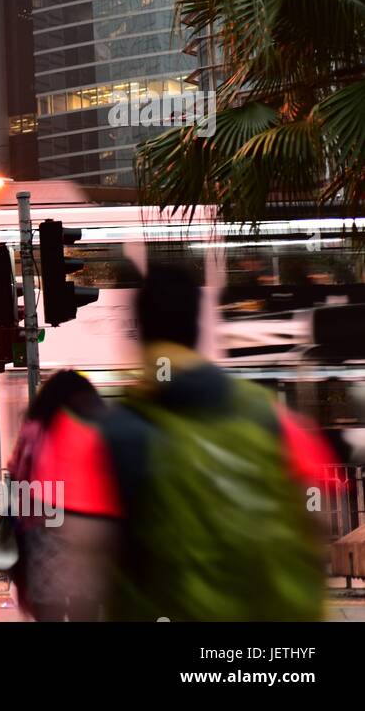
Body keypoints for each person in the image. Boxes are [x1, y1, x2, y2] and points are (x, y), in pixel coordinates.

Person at [82, 264, 335, 620]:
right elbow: (316, 518)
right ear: (199, 330)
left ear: (137, 334)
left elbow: (83, 563)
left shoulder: (116, 435)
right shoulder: (273, 417)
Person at [6, 370, 111, 621]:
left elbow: (16, 475)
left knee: (48, 611)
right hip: (86, 533)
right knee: (84, 609)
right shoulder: (95, 428)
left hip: (41, 535)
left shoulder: (31, 431)